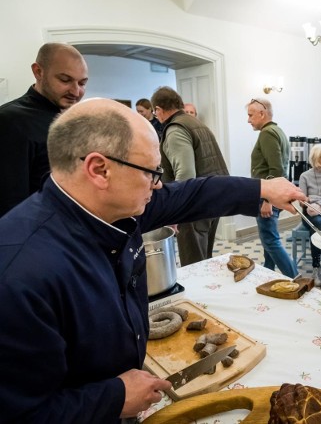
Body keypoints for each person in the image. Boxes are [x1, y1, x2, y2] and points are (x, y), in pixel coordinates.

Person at [0, 98, 305, 423]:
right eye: (151, 173)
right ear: (99, 169)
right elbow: (21, 413)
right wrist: (114, 398)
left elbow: (191, 194)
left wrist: (262, 187)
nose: (158, 184)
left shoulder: (111, 208)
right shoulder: (18, 274)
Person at [0, 42, 88, 217]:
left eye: (82, 83)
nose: (76, 91)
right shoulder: (10, 120)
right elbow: (10, 205)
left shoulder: (73, 119)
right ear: (38, 71)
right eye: (65, 80)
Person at [151, 86, 230, 265]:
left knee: (193, 262)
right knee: (204, 258)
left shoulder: (175, 129)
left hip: (194, 204)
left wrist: (176, 213)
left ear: (159, 110)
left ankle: (199, 293)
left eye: (155, 113)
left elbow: (185, 174)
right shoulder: (197, 124)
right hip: (214, 196)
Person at [247, 97, 297, 278]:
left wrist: (267, 200)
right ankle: (268, 272)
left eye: (251, 115)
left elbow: (276, 169)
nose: (248, 120)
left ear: (262, 113)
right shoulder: (277, 130)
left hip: (268, 195)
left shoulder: (267, 133)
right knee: (268, 240)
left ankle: (296, 279)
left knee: (271, 240)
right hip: (271, 193)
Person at [298, 144, 321, 285]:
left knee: (319, 226)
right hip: (309, 215)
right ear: (318, 158)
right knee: (318, 225)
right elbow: (302, 202)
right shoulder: (304, 176)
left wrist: (313, 198)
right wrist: (320, 201)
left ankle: (317, 266)